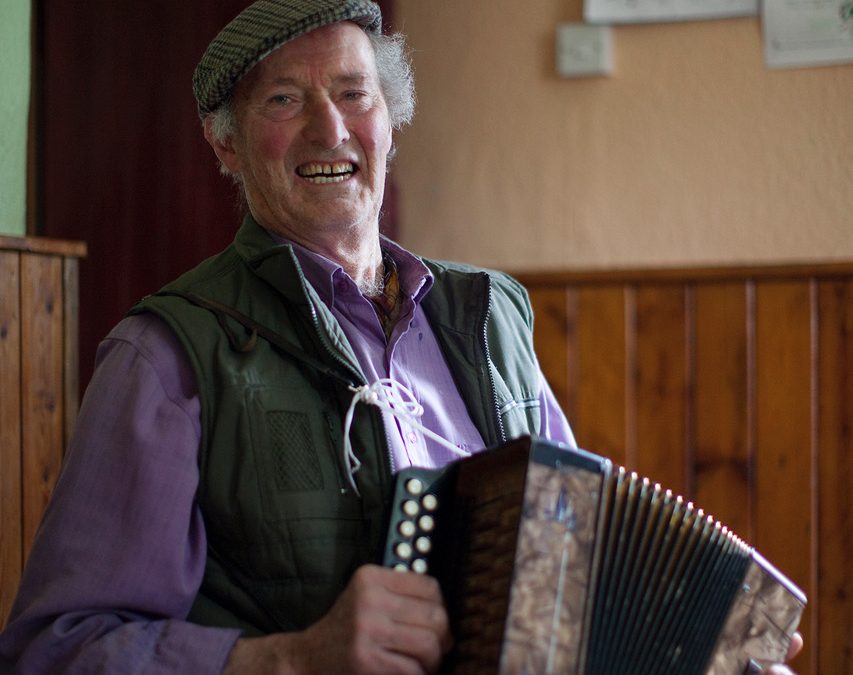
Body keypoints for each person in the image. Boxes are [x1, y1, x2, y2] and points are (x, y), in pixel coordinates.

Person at [0, 1, 801, 673]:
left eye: (354, 94)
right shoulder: (168, 353)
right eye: (283, 100)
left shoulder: (490, 316)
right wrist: (289, 657)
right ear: (225, 142)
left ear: (390, 122)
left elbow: (577, 555)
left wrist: (703, 643)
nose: (329, 127)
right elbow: (55, 647)